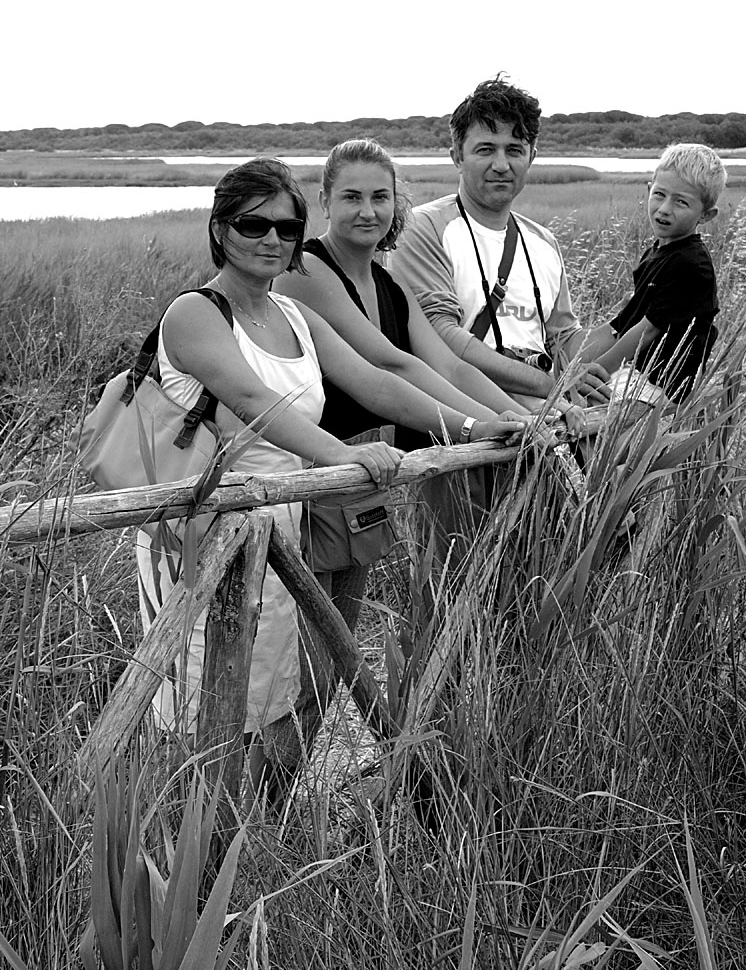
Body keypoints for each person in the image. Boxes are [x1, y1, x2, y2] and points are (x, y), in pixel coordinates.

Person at [135, 157, 526, 794]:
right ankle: (191, 834)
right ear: (218, 228)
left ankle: (258, 826)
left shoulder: (294, 315)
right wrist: (340, 457)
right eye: (252, 225)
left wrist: (472, 427)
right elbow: (256, 406)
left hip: (287, 524)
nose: (270, 240)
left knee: (288, 682)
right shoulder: (196, 313)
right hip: (210, 530)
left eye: (287, 229)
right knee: (208, 696)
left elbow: (377, 382)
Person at [275, 139, 564, 767]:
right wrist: (481, 426)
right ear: (323, 200)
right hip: (304, 473)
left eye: (381, 197)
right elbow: (387, 364)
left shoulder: (386, 281)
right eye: (350, 196)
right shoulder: (305, 269)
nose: (367, 210)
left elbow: (449, 363)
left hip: (359, 476)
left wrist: (525, 418)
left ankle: (280, 810)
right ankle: (255, 811)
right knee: (298, 661)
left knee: (333, 652)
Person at [389, 76, 611, 406]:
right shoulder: (423, 228)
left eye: (514, 150)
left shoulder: (543, 242)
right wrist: (549, 385)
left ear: (532, 156)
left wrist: (629, 333)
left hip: (545, 413)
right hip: (457, 418)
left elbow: (563, 336)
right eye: (485, 150)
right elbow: (440, 336)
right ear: (457, 157)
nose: (501, 165)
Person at [580, 143, 726, 401]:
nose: (665, 209)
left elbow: (649, 329)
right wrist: (577, 361)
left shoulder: (691, 263)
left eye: (681, 202)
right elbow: (624, 322)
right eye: (660, 194)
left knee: (581, 408)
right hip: (636, 370)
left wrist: (598, 371)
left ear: (705, 215)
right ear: (649, 190)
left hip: (662, 384)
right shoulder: (657, 252)